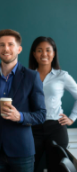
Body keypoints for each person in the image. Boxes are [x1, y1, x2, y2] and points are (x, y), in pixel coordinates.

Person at [0, 29, 46, 172]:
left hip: (22, 151)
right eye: (2, 45)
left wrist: (20, 116)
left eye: (10, 44)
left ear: (19, 49)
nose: (6, 48)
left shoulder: (32, 77)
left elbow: (41, 114)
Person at [29, 36, 77, 172]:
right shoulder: (26, 75)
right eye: (39, 50)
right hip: (32, 129)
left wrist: (72, 118)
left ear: (54, 53)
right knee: (28, 167)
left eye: (48, 50)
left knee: (57, 168)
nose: (44, 54)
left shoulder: (63, 76)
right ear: (34, 54)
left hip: (56, 128)